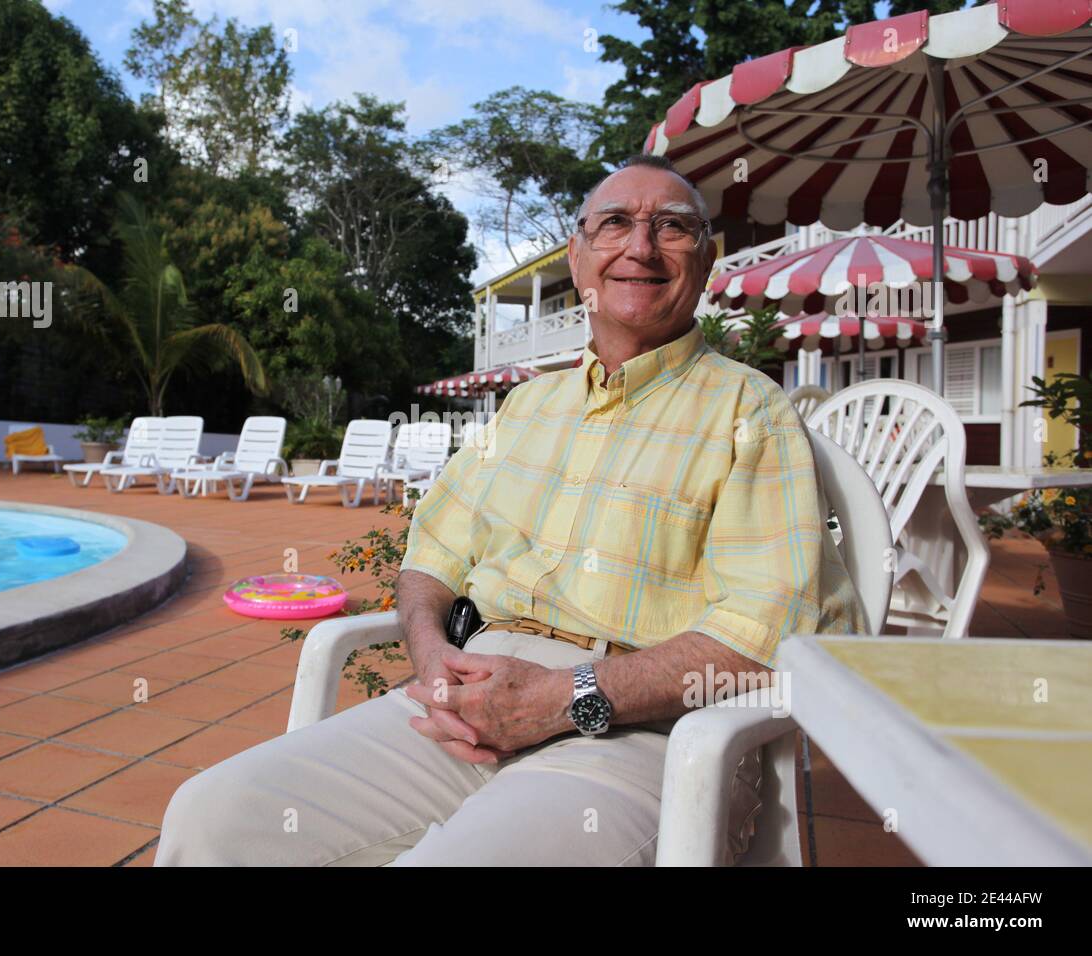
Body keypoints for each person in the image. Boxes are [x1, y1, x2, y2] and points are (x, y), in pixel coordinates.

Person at [156, 154, 866, 867]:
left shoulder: (750, 412)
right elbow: (431, 555)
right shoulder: (528, 406)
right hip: (465, 697)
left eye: (672, 228)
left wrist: (568, 695)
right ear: (579, 259)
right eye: (615, 224)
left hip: (645, 733)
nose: (641, 247)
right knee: (216, 814)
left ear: (706, 261)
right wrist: (431, 655)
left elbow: (767, 633)